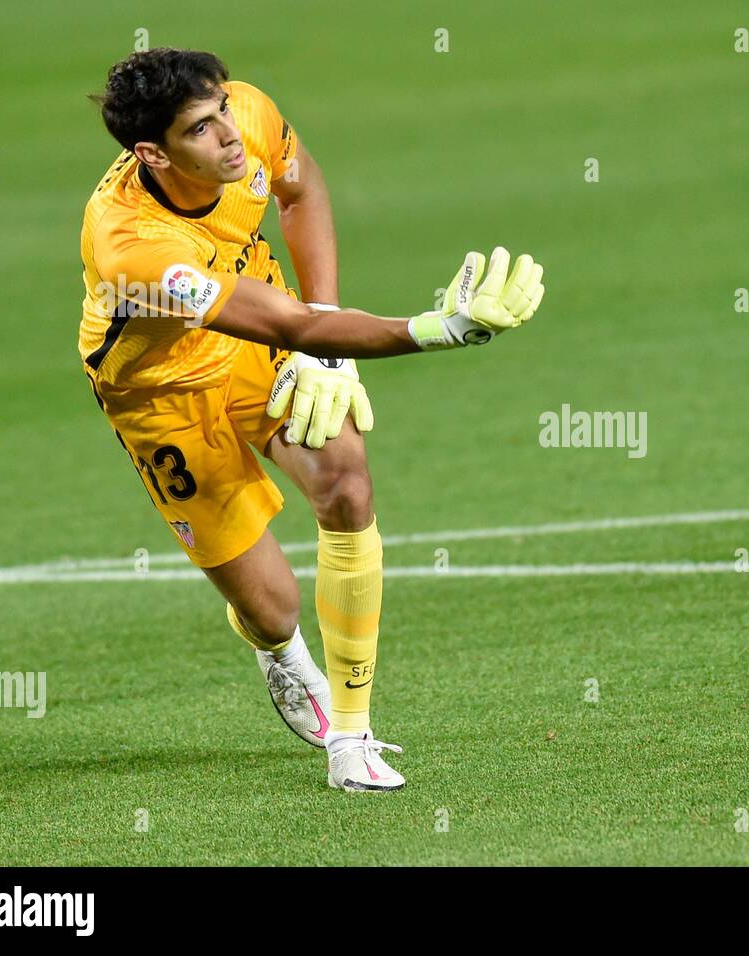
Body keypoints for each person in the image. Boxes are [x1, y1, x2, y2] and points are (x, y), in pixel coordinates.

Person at [79, 48, 544, 792]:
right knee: (273, 608)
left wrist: (326, 324)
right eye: (202, 128)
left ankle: (351, 741)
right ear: (150, 153)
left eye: (224, 109)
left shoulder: (243, 113)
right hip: (160, 390)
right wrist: (434, 329)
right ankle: (280, 654)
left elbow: (301, 191)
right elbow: (285, 326)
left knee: (346, 486)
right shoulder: (132, 247)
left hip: (258, 333)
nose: (230, 133)